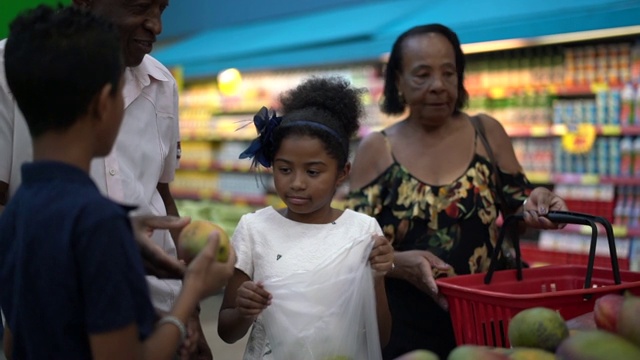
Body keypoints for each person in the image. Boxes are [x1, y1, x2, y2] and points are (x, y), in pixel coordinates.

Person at [0, 5, 235, 359]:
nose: (156, 24)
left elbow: (14, 339)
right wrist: (192, 293)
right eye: (140, 6)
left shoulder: (21, 209)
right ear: (104, 105)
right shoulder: (99, 222)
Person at [346, 24, 569, 359]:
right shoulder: (376, 149)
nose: (438, 86)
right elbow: (353, 246)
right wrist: (398, 263)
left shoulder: (487, 132)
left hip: (491, 317)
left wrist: (535, 204)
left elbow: (518, 209)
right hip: (405, 322)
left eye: (449, 73)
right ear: (398, 82)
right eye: (422, 74)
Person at [217, 77, 394, 359]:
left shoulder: (362, 232)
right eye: (284, 169)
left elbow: (380, 337)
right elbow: (227, 332)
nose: (297, 183)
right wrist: (243, 310)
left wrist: (376, 278)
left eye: (313, 172)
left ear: (343, 172)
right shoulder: (254, 229)